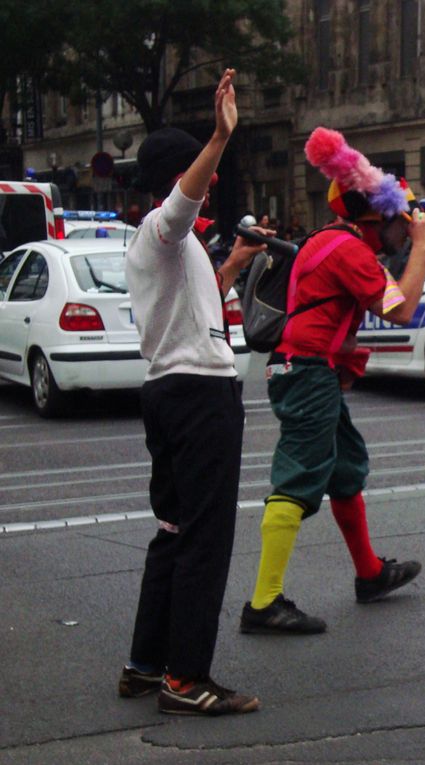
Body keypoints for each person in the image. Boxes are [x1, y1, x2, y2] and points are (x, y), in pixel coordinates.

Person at [239, 126, 425, 634]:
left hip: (311, 370)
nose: (409, 227)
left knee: (345, 470)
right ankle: (263, 604)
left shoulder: (337, 242)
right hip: (305, 373)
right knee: (297, 481)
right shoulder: (349, 250)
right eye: (403, 219)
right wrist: (418, 252)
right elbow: (401, 310)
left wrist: (416, 253)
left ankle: (370, 574)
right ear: (377, 215)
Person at [117, 69, 266, 716]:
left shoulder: (175, 250)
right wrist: (220, 136)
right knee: (205, 536)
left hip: (169, 390)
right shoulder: (161, 227)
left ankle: (146, 664)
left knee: (174, 530)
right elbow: (181, 202)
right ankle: (187, 676)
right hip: (197, 394)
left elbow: (196, 302)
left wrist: (233, 261)